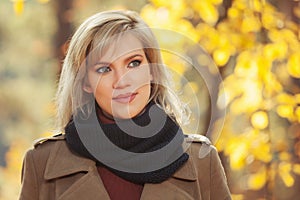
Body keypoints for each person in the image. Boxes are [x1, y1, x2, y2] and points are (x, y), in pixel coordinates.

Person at [19, 10, 231, 200]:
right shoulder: (42, 163)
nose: (122, 80)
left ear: (152, 70)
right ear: (85, 82)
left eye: (134, 63)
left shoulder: (201, 161)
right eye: (104, 69)